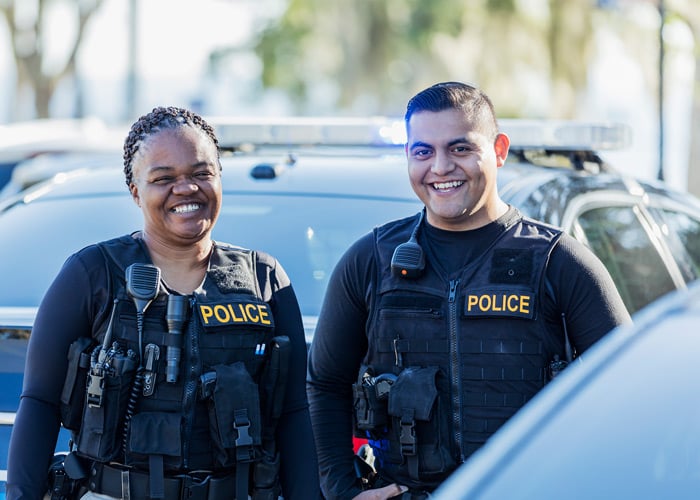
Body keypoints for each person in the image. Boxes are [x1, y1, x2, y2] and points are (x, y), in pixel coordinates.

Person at [306, 82, 632, 500]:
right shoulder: (370, 260)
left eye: (460, 149)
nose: (440, 167)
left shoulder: (559, 261)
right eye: (422, 151)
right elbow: (325, 382)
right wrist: (342, 491)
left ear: (498, 149)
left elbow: (631, 389)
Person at [6, 106, 320, 500]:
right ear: (136, 191)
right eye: (163, 178)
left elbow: (294, 413)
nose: (186, 188)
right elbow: (40, 402)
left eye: (201, 173)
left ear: (219, 178)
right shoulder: (92, 274)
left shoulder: (264, 279)